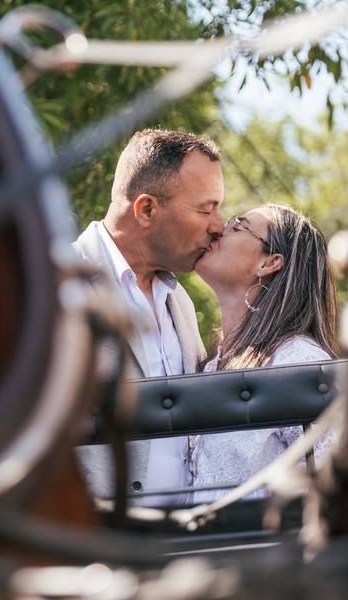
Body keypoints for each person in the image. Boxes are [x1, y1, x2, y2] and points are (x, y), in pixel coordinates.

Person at [143, 204, 338, 506]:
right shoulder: (210, 366)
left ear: (269, 262)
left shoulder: (297, 361)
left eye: (239, 226)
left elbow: (338, 477)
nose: (220, 229)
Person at [72, 128, 224, 500]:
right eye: (206, 209)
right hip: (96, 539)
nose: (219, 225)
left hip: (184, 538)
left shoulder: (181, 301)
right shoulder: (59, 287)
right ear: (147, 209)